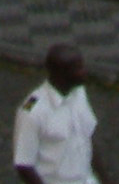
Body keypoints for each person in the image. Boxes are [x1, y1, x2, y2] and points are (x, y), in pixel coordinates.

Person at [16, 44, 107, 184]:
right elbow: (24, 165)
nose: (85, 72)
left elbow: (87, 136)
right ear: (61, 73)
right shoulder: (32, 111)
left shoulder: (79, 92)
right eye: (78, 68)